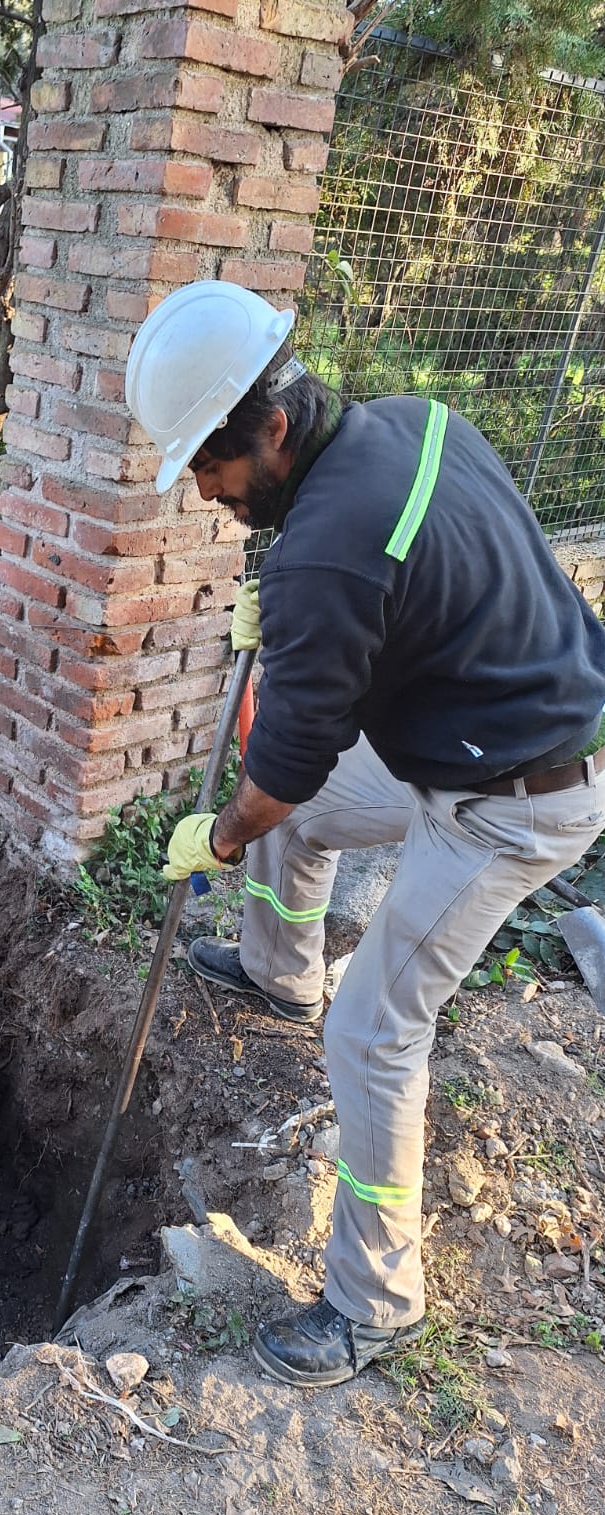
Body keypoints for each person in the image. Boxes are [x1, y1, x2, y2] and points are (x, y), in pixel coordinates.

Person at [125, 281, 605, 1388]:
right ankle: (275, 969)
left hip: (515, 795)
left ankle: (373, 1303)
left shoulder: (322, 555)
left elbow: (281, 775)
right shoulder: (417, 421)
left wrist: (221, 837)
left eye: (211, 464)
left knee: (375, 1030)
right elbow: (425, 584)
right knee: (310, 821)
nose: (206, 492)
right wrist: (309, 636)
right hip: (479, 718)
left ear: (276, 427)